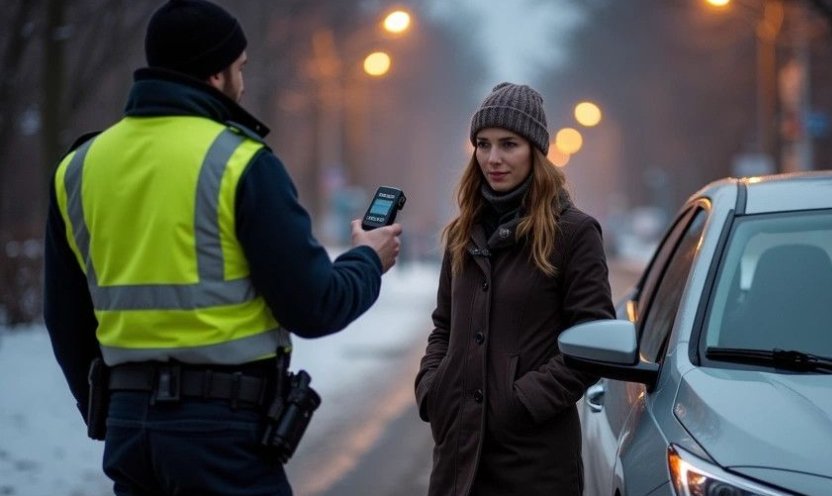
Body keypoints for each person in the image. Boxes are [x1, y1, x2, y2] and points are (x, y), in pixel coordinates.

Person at [43, 1, 401, 494]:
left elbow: (64, 318)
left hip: (129, 436)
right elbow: (315, 307)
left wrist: (114, 409)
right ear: (216, 73)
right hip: (220, 433)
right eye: (240, 68)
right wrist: (368, 258)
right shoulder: (240, 161)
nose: (244, 83)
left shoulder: (78, 167)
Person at [413, 82, 615, 496]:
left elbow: (594, 341)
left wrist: (522, 402)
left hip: (534, 462)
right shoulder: (461, 233)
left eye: (509, 144)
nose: (493, 158)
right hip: (457, 458)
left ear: (535, 151)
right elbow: (443, 328)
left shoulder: (574, 233)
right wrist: (433, 389)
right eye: (483, 145)